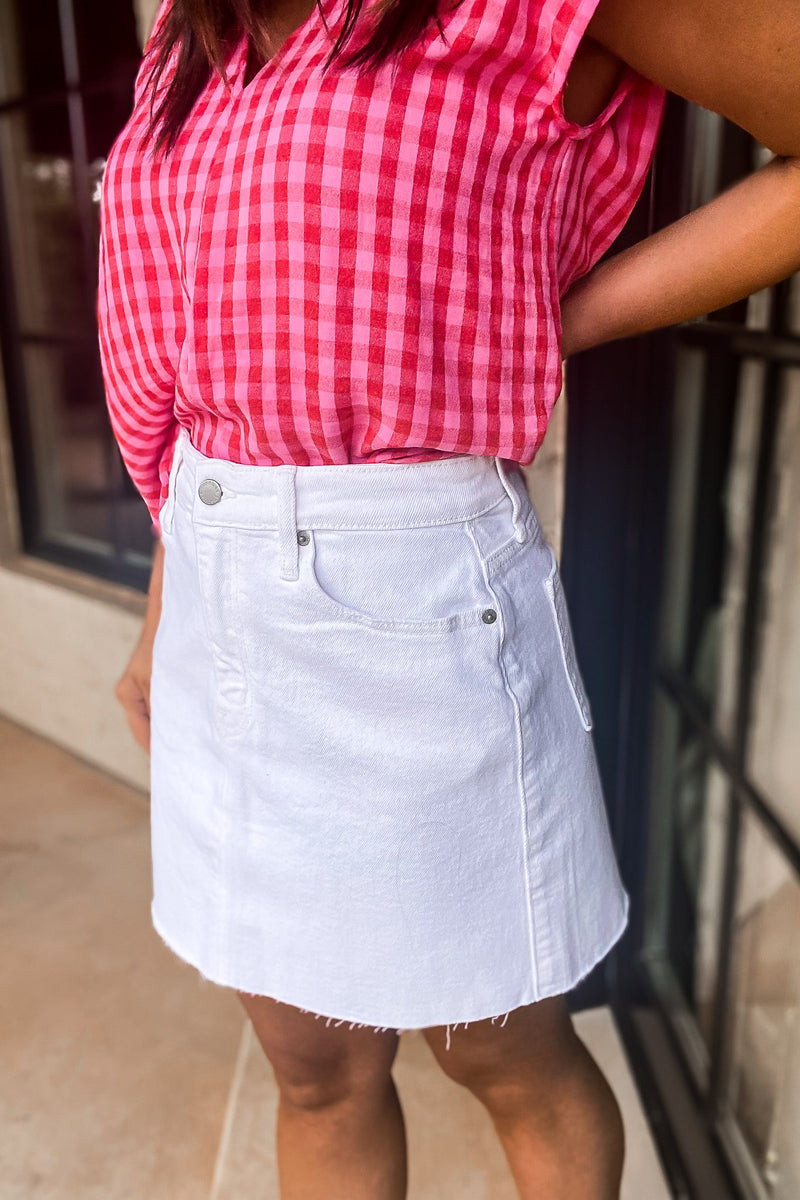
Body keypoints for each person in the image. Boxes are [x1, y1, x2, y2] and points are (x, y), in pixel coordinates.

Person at [98, 0, 800, 1194]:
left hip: (414, 616)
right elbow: (192, 362)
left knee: (503, 1053)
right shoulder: (185, 31)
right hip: (216, 600)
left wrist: (551, 320)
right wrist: (164, 617)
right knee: (312, 1070)